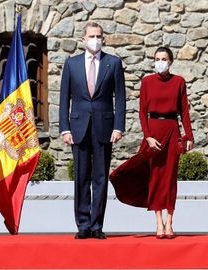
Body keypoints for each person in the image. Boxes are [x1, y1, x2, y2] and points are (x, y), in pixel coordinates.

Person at [110, 46, 194, 239]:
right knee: (155, 176)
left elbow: (185, 112)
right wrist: (147, 136)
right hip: (153, 133)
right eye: (157, 58)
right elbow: (142, 112)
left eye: (164, 58)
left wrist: (189, 137)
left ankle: (170, 222)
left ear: (171, 61)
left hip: (172, 130)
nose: (160, 62)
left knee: (170, 177)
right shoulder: (147, 82)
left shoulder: (179, 82)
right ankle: (158, 222)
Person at [59, 22, 126, 239]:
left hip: (104, 127)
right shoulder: (72, 64)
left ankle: (97, 225)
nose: (95, 39)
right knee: (81, 177)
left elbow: (121, 98)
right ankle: (83, 225)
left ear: (103, 38)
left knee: (99, 178)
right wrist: (64, 129)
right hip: (78, 127)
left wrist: (118, 126)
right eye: (91, 36)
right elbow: (63, 99)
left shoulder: (113, 63)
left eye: (98, 36)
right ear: (83, 39)